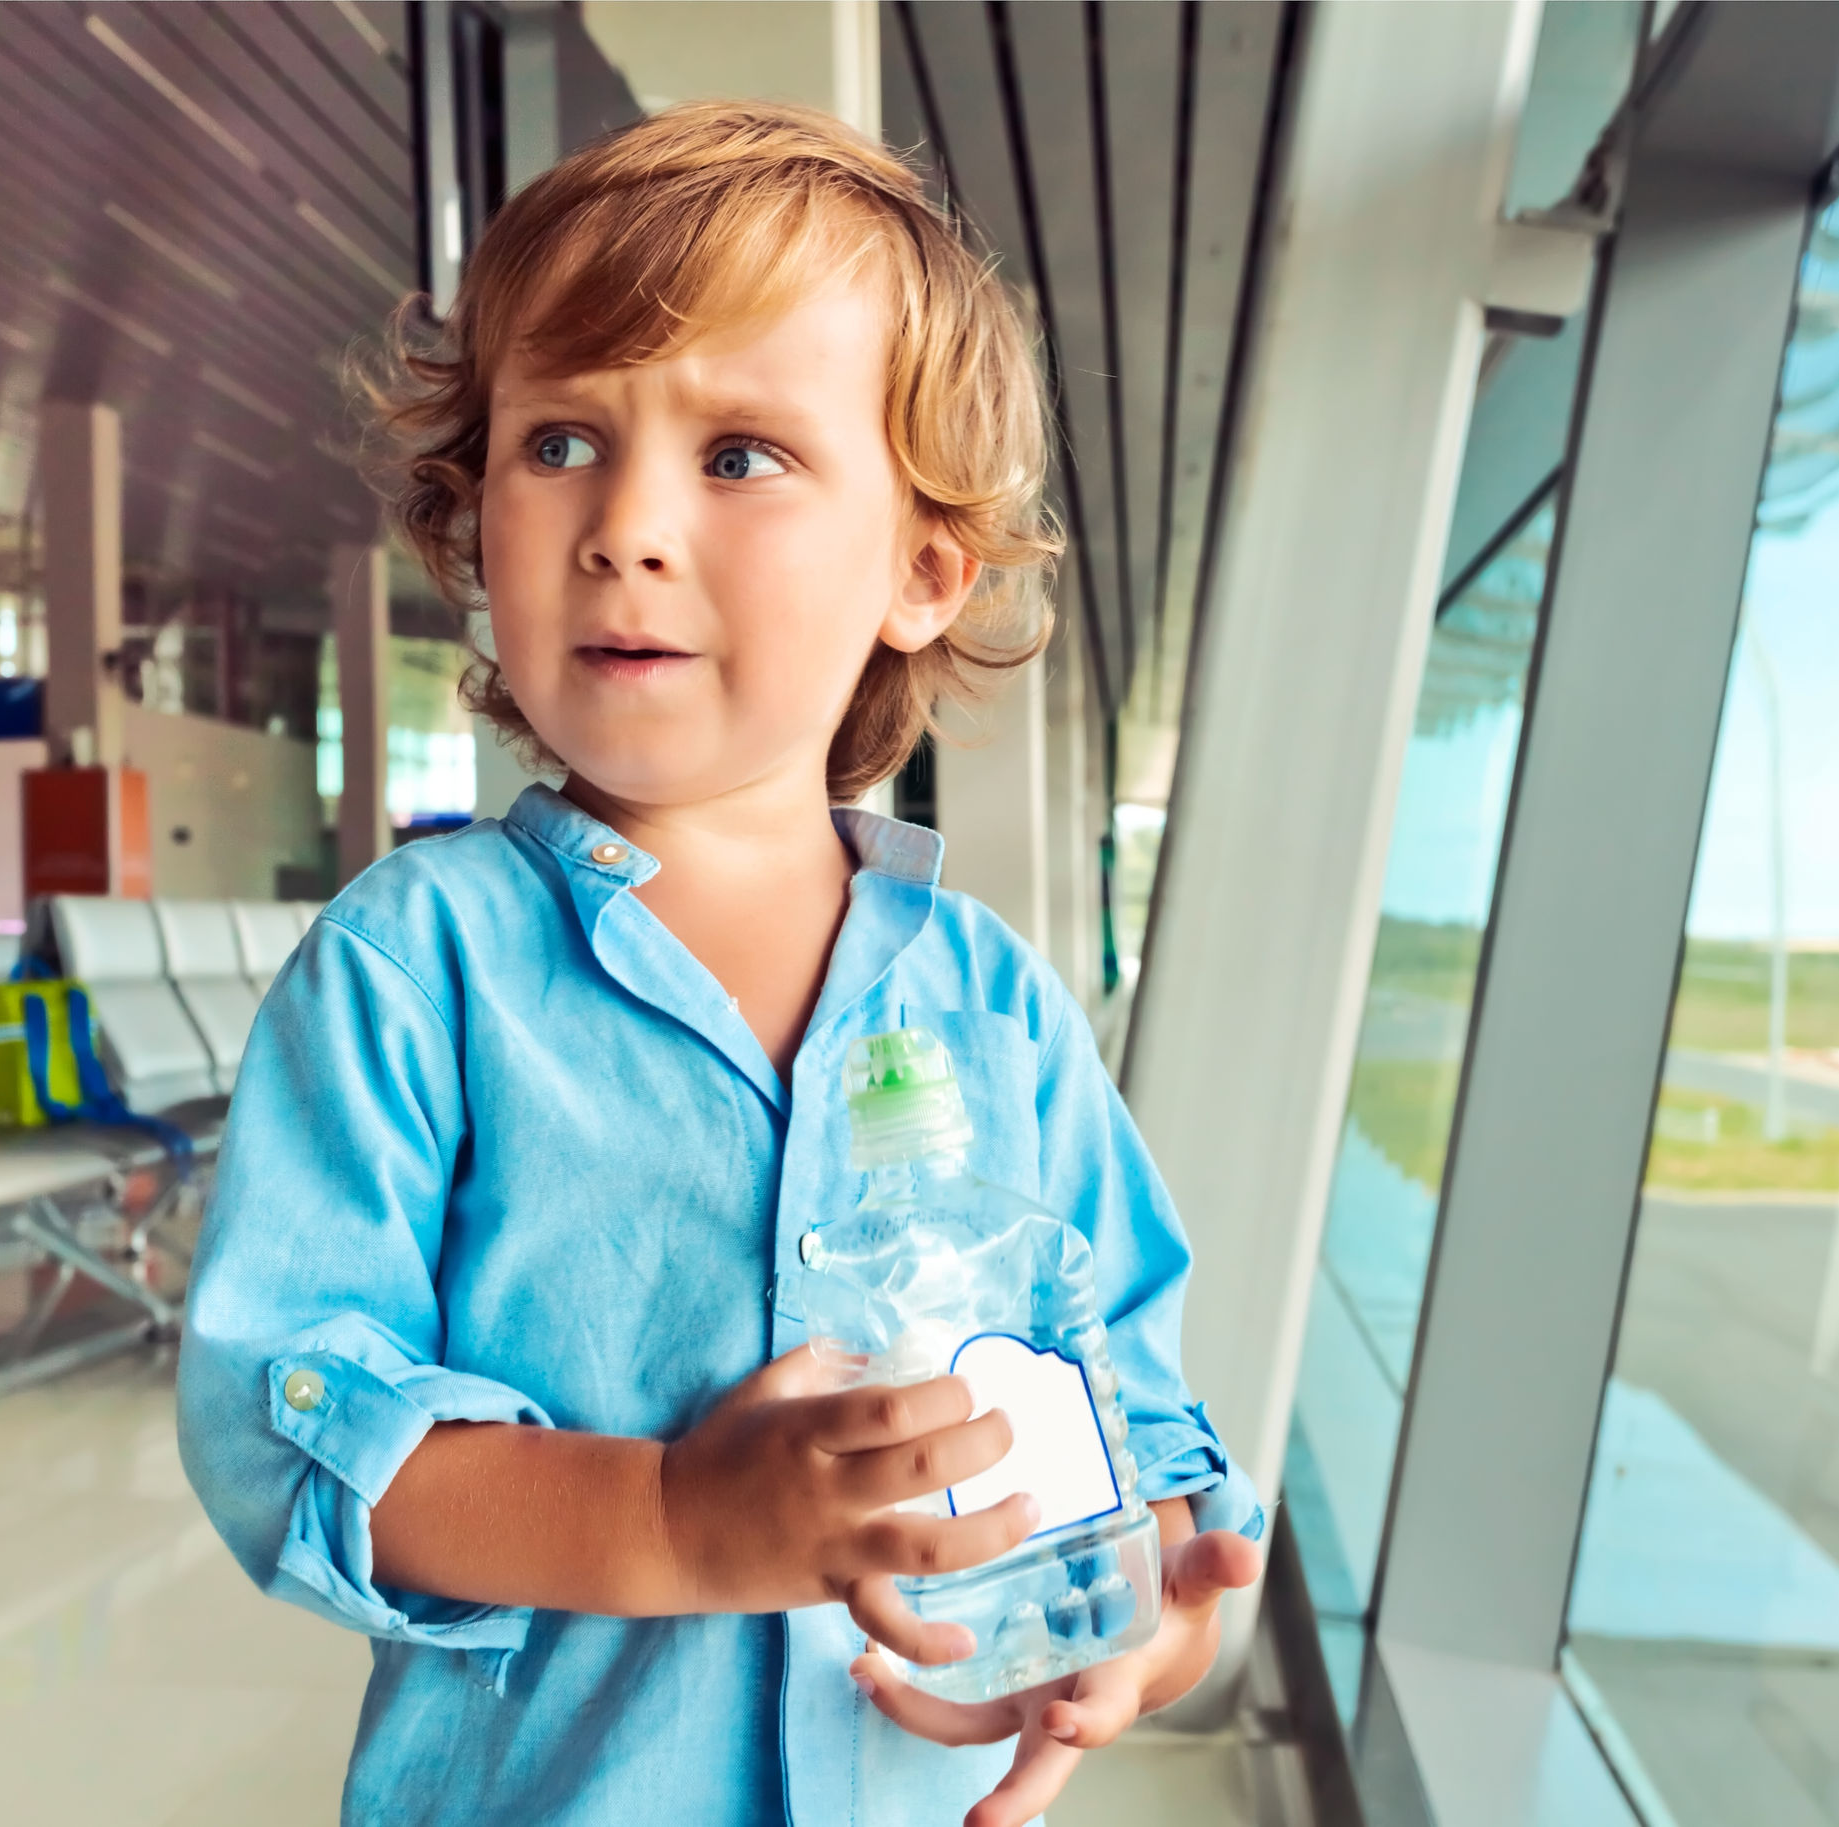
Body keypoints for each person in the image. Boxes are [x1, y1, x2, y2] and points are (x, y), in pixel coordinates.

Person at [176, 100, 1261, 1827]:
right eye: (559, 444)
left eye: (740, 455)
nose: (627, 525)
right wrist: (677, 1519)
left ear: (922, 568)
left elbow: (1133, 1410)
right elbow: (290, 1424)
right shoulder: (415, 971)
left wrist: (1139, 1633)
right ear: (473, 533)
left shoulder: (993, 1008)